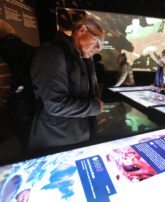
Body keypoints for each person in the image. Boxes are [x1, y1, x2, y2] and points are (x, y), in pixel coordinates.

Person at [28, 18, 105, 152]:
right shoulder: (51, 53)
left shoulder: (83, 59)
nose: (98, 48)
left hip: (77, 136)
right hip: (57, 141)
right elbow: (55, 105)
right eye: (98, 41)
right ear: (82, 30)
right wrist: (95, 106)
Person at [0, 20, 35, 145]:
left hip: (16, 110)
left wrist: (6, 101)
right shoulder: (32, 50)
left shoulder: (2, 52)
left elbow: (4, 85)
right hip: (38, 106)